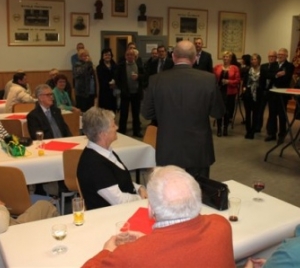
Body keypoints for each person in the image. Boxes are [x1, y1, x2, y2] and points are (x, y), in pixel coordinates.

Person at [82, 166, 235, 268]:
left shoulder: (131, 256)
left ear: (150, 210)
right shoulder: (221, 225)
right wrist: (147, 241)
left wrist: (107, 251)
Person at [142, 40, 224, 179]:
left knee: (168, 191)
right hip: (198, 147)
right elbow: (218, 112)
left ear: (173, 56)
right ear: (194, 58)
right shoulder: (208, 79)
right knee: (198, 191)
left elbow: (147, 113)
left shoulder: (156, 80)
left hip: (168, 145)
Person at [77, 107, 147, 210]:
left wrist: (139, 188)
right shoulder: (94, 165)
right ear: (103, 134)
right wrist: (141, 198)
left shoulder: (105, 152)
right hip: (112, 217)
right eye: (113, 125)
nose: (117, 127)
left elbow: (120, 181)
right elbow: (119, 201)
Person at [265, 48, 294, 143]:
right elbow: (268, 75)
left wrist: (276, 76)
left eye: (282, 54)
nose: (279, 56)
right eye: (279, 54)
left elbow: (287, 78)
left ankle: (282, 135)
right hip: (273, 93)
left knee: (282, 115)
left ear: (286, 56)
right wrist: (277, 75)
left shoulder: (290, 66)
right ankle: (272, 133)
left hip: (282, 94)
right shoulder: (273, 64)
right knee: (272, 114)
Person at [115, 48, 144, 138]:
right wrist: (122, 88)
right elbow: (117, 79)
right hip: (125, 93)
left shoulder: (139, 65)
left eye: (131, 55)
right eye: (128, 55)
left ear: (134, 56)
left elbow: (145, 76)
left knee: (136, 113)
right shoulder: (121, 66)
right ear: (125, 56)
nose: (129, 56)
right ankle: (122, 130)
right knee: (124, 113)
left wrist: (138, 77)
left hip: (136, 93)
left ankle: (137, 131)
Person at [214, 51, 241, 137]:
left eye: (227, 57)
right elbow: (213, 78)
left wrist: (228, 81)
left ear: (230, 58)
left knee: (227, 111)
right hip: (219, 92)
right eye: (224, 57)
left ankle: (225, 128)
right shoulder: (217, 67)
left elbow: (237, 81)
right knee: (219, 110)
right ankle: (219, 129)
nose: (226, 58)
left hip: (230, 93)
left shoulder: (235, 68)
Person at [257, 50, 277, 133]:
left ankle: (270, 130)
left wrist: (271, 75)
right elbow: (263, 77)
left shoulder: (277, 66)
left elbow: (272, 77)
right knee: (259, 110)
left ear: (276, 58)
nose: (271, 58)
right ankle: (258, 127)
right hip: (263, 90)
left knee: (272, 112)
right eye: (270, 56)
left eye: (273, 56)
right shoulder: (263, 66)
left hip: (272, 91)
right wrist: (273, 75)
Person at [242, 53, 262, 139]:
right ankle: (248, 130)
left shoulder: (262, 70)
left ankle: (253, 131)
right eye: (252, 59)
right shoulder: (248, 70)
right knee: (248, 113)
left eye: (255, 59)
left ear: (258, 60)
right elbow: (244, 81)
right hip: (248, 93)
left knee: (255, 113)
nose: (253, 61)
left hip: (257, 93)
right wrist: (244, 89)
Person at [73, 48, 97, 112]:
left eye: (87, 55)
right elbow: (79, 73)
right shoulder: (77, 64)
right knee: (82, 111)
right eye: (84, 56)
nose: (86, 57)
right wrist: (87, 64)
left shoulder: (90, 65)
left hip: (91, 92)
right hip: (82, 93)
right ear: (80, 57)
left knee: (90, 111)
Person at [96, 48, 118, 112]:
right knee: (104, 110)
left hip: (113, 91)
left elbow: (117, 77)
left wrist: (115, 83)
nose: (107, 56)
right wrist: (109, 84)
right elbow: (101, 79)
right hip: (104, 91)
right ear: (102, 56)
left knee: (113, 110)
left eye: (109, 55)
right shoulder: (99, 67)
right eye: (105, 55)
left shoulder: (115, 66)